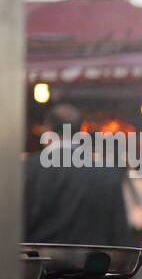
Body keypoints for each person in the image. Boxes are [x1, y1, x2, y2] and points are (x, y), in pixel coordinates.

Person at [23, 104, 133, 247]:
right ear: (81, 131)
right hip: (92, 268)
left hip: (37, 266)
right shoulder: (108, 173)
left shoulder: (25, 169)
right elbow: (119, 236)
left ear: (47, 130)